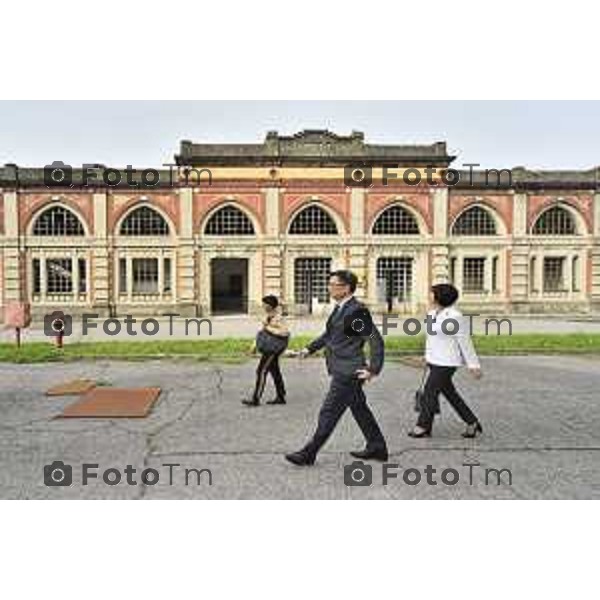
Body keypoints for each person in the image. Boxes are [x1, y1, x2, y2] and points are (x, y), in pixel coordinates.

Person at [285, 270, 388, 466]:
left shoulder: (355, 310)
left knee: (329, 411)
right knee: (359, 409)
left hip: (349, 371)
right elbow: (330, 336)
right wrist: (308, 349)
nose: (329, 288)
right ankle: (377, 446)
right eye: (329, 284)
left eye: (334, 285)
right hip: (342, 367)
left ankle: (309, 452)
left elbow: (375, 341)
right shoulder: (342, 308)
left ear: (346, 288)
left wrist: (373, 369)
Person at [409, 283, 483, 438]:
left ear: (440, 296)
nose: (429, 296)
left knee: (429, 392)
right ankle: (472, 422)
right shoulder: (432, 314)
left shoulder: (455, 317)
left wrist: (474, 365)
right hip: (434, 360)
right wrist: (426, 357)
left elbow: (465, 342)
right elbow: (431, 339)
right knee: (450, 394)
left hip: (447, 362)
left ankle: (422, 426)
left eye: (432, 293)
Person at [243, 295, 289, 407]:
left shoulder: (279, 318)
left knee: (261, 371)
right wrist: (254, 346)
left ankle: (256, 399)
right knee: (275, 371)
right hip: (268, 347)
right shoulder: (268, 316)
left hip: (273, 349)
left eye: (264, 304)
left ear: (270, 305)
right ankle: (281, 396)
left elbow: (284, 332)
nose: (263, 306)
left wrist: (269, 328)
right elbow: (262, 333)